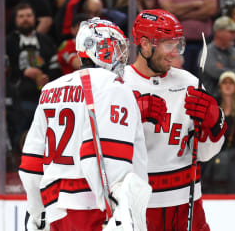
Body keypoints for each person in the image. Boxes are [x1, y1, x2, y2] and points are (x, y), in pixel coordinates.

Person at [18, 18, 150, 230]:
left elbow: (32, 160)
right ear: (101, 48)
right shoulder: (112, 86)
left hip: (56, 209)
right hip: (94, 208)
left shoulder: (51, 89)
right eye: (116, 47)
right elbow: (105, 155)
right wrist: (118, 208)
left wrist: (36, 208)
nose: (121, 56)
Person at [124, 9, 227, 230]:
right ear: (144, 44)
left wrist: (214, 124)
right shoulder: (119, 84)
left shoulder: (189, 82)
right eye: (168, 45)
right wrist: (132, 116)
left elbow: (206, 152)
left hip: (187, 204)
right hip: (137, 206)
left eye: (177, 45)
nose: (175, 53)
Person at [6, 3, 61, 140]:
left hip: (45, 98)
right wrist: (22, 73)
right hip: (18, 99)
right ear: (15, 20)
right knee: (20, 136)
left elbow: (56, 67)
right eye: (21, 16)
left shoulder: (46, 41)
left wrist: (47, 77)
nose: (25, 19)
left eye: (29, 15)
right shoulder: (8, 42)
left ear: (35, 18)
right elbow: (3, 70)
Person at [201, 71, 235, 194]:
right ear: (220, 87)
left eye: (231, 83)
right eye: (224, 82)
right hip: (215, 153)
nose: (227, 85)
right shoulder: (213, 106)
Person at [158, 0, 218, 75]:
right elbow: (168, 9)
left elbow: (211, 10)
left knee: (201, 76)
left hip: (203, 42)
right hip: (176, 44)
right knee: (178, 74)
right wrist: (193, 5)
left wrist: (179, 15)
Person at [202, 15, 235, 96]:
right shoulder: (207, 52)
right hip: (211, 101)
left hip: (234, 101)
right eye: (231, 32)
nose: (234, 35)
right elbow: (215, 73)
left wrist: (224, 70)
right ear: (218, 32)